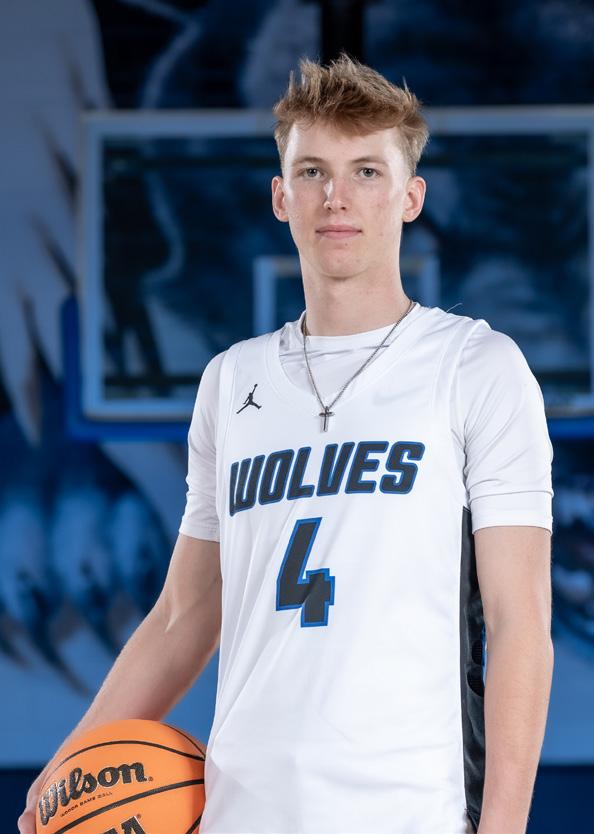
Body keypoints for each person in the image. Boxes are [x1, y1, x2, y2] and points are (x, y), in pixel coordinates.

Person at [19, 54, 553, 834]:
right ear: (280, 196)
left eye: (366, 171)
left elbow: (518, 622)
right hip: (244, 813)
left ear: (410, 197)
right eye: (312, 172)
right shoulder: (231, 381)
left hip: (408, 811)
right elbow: (185, 611)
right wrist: (63, 773)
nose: (337, 197)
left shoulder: (474, 367)